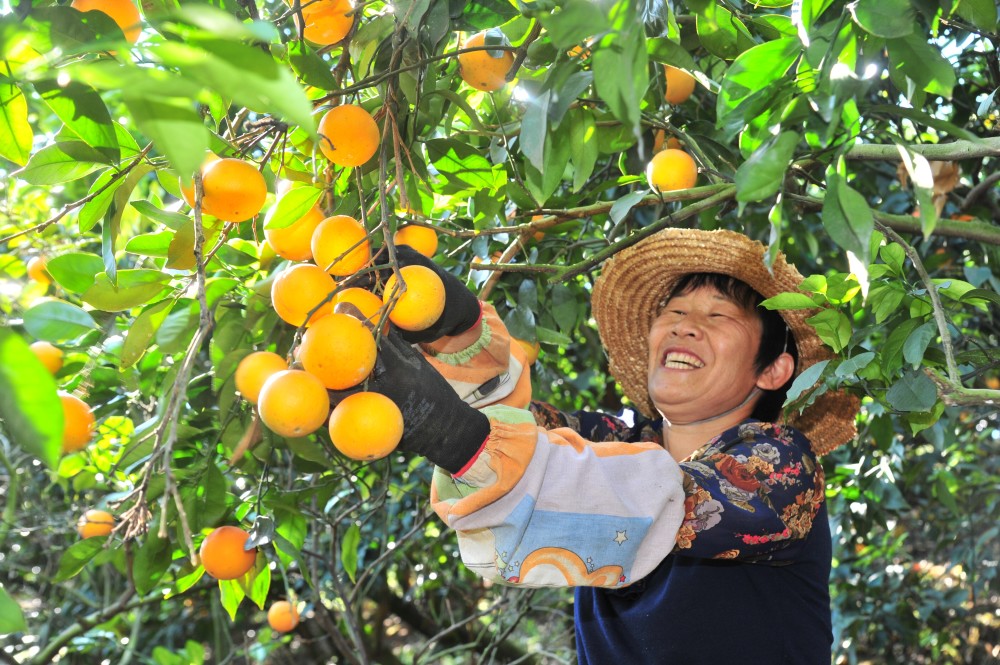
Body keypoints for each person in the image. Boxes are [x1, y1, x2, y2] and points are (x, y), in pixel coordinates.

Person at [347, 228, 861, 664]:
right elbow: (517, 433)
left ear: (773, 370)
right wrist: (457, 336)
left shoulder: (785, 465)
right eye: (675, 310)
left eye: (718, 316)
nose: (684, 324)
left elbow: (656, 500)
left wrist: (458, 436)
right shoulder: (620, 442)